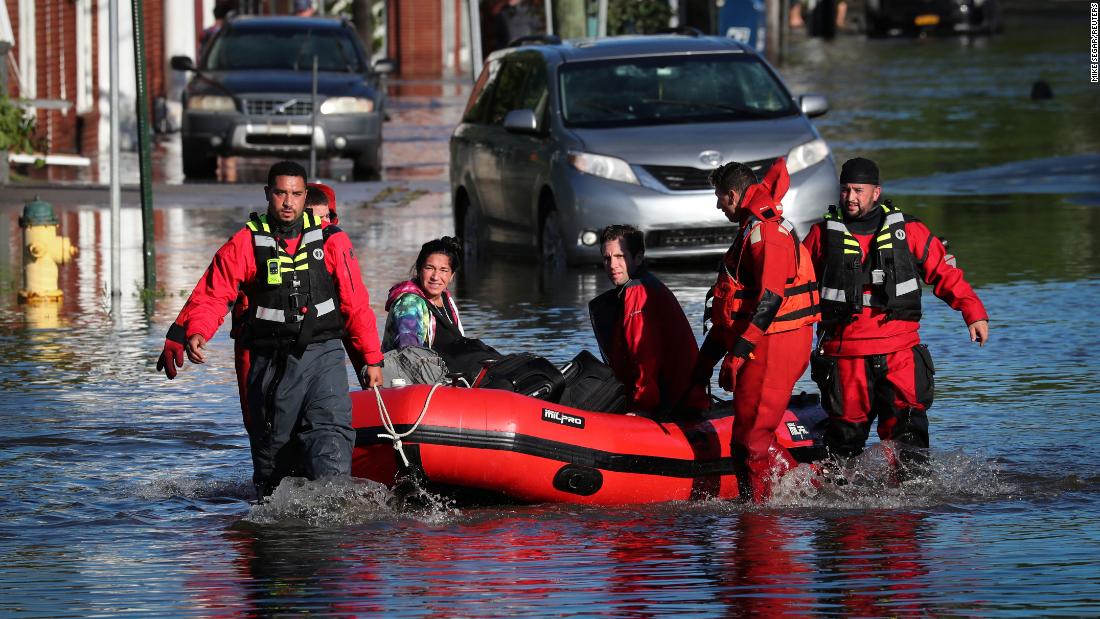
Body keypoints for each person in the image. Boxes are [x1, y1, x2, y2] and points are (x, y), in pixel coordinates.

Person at [156, 161, 384, 498]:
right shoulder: (245, 242)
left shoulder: (333, 241)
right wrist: (197, 331)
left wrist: (371, 359)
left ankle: (334, 515)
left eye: (295, 194)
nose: (288, 202)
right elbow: (213, 293)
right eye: (281, 193)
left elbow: (355, 303)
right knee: (275, 459)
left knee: (331, 435)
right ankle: (276, 529)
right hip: (271, 362)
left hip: (324, 357)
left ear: (306, 197)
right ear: (268, 194)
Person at [802, 157, 989, 465]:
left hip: (899, 353)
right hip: (846, 357)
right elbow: (793, 287)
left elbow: (944, 273)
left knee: (911, 447)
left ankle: (910, 508)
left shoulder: (910, 230)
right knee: (842, 451)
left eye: (858, 191)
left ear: (876, 192)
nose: (850, 198)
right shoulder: (821, 236)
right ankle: (844, 510)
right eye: (846, 190)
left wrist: (974, 313)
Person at [690, 158, 821, 503]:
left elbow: (771, 297)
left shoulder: (767, 233)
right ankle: (807, 491)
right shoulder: (752, 228)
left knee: (750, 440)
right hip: (764, 340)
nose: (719, 206)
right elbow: (737, 305)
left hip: (774, 343)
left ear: (732, 195)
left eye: (719, 198)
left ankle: (758, 518)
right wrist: (705, 365)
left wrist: (738, 353)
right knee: (750, 434)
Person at [588, 225, 709, 415]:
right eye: (607, 258)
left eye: (620, 257)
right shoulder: (642, 286)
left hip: (676, 407)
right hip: (677, 400)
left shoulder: (637, 292)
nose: (612, 265)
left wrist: (642, 408)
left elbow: (643, 355)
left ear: (638, 257)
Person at [383, 237, 466, 353]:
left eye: (443, 270)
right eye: (429, 268)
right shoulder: (409, 304)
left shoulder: (446, 298)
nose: (435, 277)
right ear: (419, 269)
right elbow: (409, 352)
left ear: (452, 276)